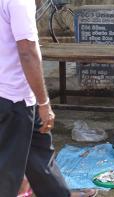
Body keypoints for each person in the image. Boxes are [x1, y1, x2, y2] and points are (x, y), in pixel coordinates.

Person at [0, 0, 96, 196]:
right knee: (7, 175)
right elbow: (27, 51)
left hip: (22, 98)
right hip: (13, 99)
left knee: (41, 160)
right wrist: (44, 103)